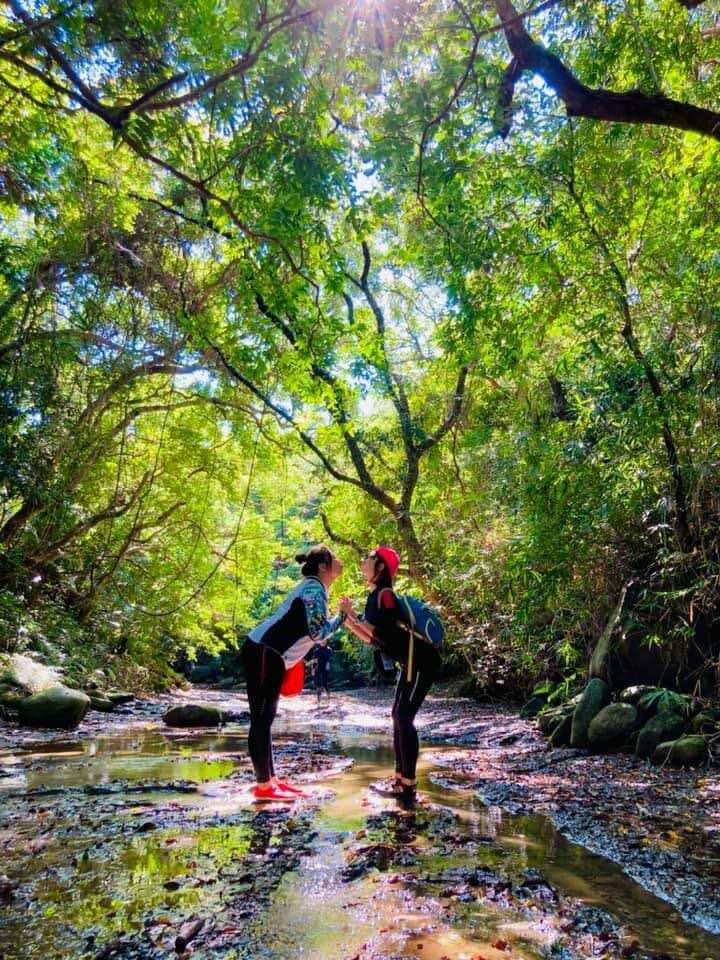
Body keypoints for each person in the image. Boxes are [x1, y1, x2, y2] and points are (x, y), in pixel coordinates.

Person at [241, 544, 345, 801]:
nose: (339, 560)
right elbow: (319, 634)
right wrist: (343, 617)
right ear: (323, 566)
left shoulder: (315, 588)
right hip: (265, 650)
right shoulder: (312, 588)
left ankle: (271, 780)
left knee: (265, 719)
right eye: (334, 557)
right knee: (262, 719)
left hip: (267, 651)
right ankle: (264, 787)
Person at [340, 546, 441, 802]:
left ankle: (407, 784)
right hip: (410, 663)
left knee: (404, 717)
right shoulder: (375, 596)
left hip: (421, 661)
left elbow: (378, 632)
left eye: (370, 559)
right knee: (398, 715)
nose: (364, 562)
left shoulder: (385, 595)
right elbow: (372, 639)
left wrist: (352, 617)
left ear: (381, 567)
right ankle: (400, 779)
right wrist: (349, 619)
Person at [313, 638, 332, 704]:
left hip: (325, 668)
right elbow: (315, 661)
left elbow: (329, 660)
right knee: (318, 685)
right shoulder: (316, 651)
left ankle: (328, 698)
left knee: (325, 684)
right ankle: (318, 701)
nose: (323, 642)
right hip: (318, 668)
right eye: (322, 641)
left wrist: (327, 666)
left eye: (325, 641)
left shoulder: (329, 649)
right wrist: (313, 669)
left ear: (327, 641)